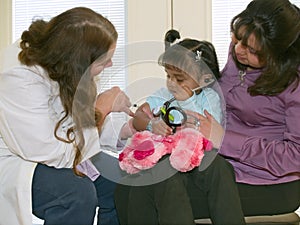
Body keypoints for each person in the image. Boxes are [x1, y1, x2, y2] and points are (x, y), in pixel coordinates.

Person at [117, 0, 300, 224]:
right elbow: (219, 95)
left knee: (148, 191)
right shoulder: (239, 53)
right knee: (126, 186)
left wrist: (223, 139)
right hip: (216, 163)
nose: (239, 49)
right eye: (237, 37)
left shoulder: (295, 83)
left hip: (265, 182)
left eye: (252, 50)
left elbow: (294, 157)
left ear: (277, 55)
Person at [0, 7, 135, 225]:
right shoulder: (19, 77)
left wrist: (125, 129)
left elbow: (76, 121)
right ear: (79, 61)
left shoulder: (65, 62)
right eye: (103, 62)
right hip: (18, 159)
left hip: (58, 149)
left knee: (121, 182)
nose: (109, 65)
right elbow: (51, 152)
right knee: (76, 194)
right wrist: (102, 109)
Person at [115, 29, 226, 225]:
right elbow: (138, 116)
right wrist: (152, 123)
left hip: (196, 161)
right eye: (168, 76)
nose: (172, 83)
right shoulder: (163, 94)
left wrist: (189, 101)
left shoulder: (210, 99)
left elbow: (210, 136)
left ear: (204, 79)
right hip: (166, 159)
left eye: (179, 79)